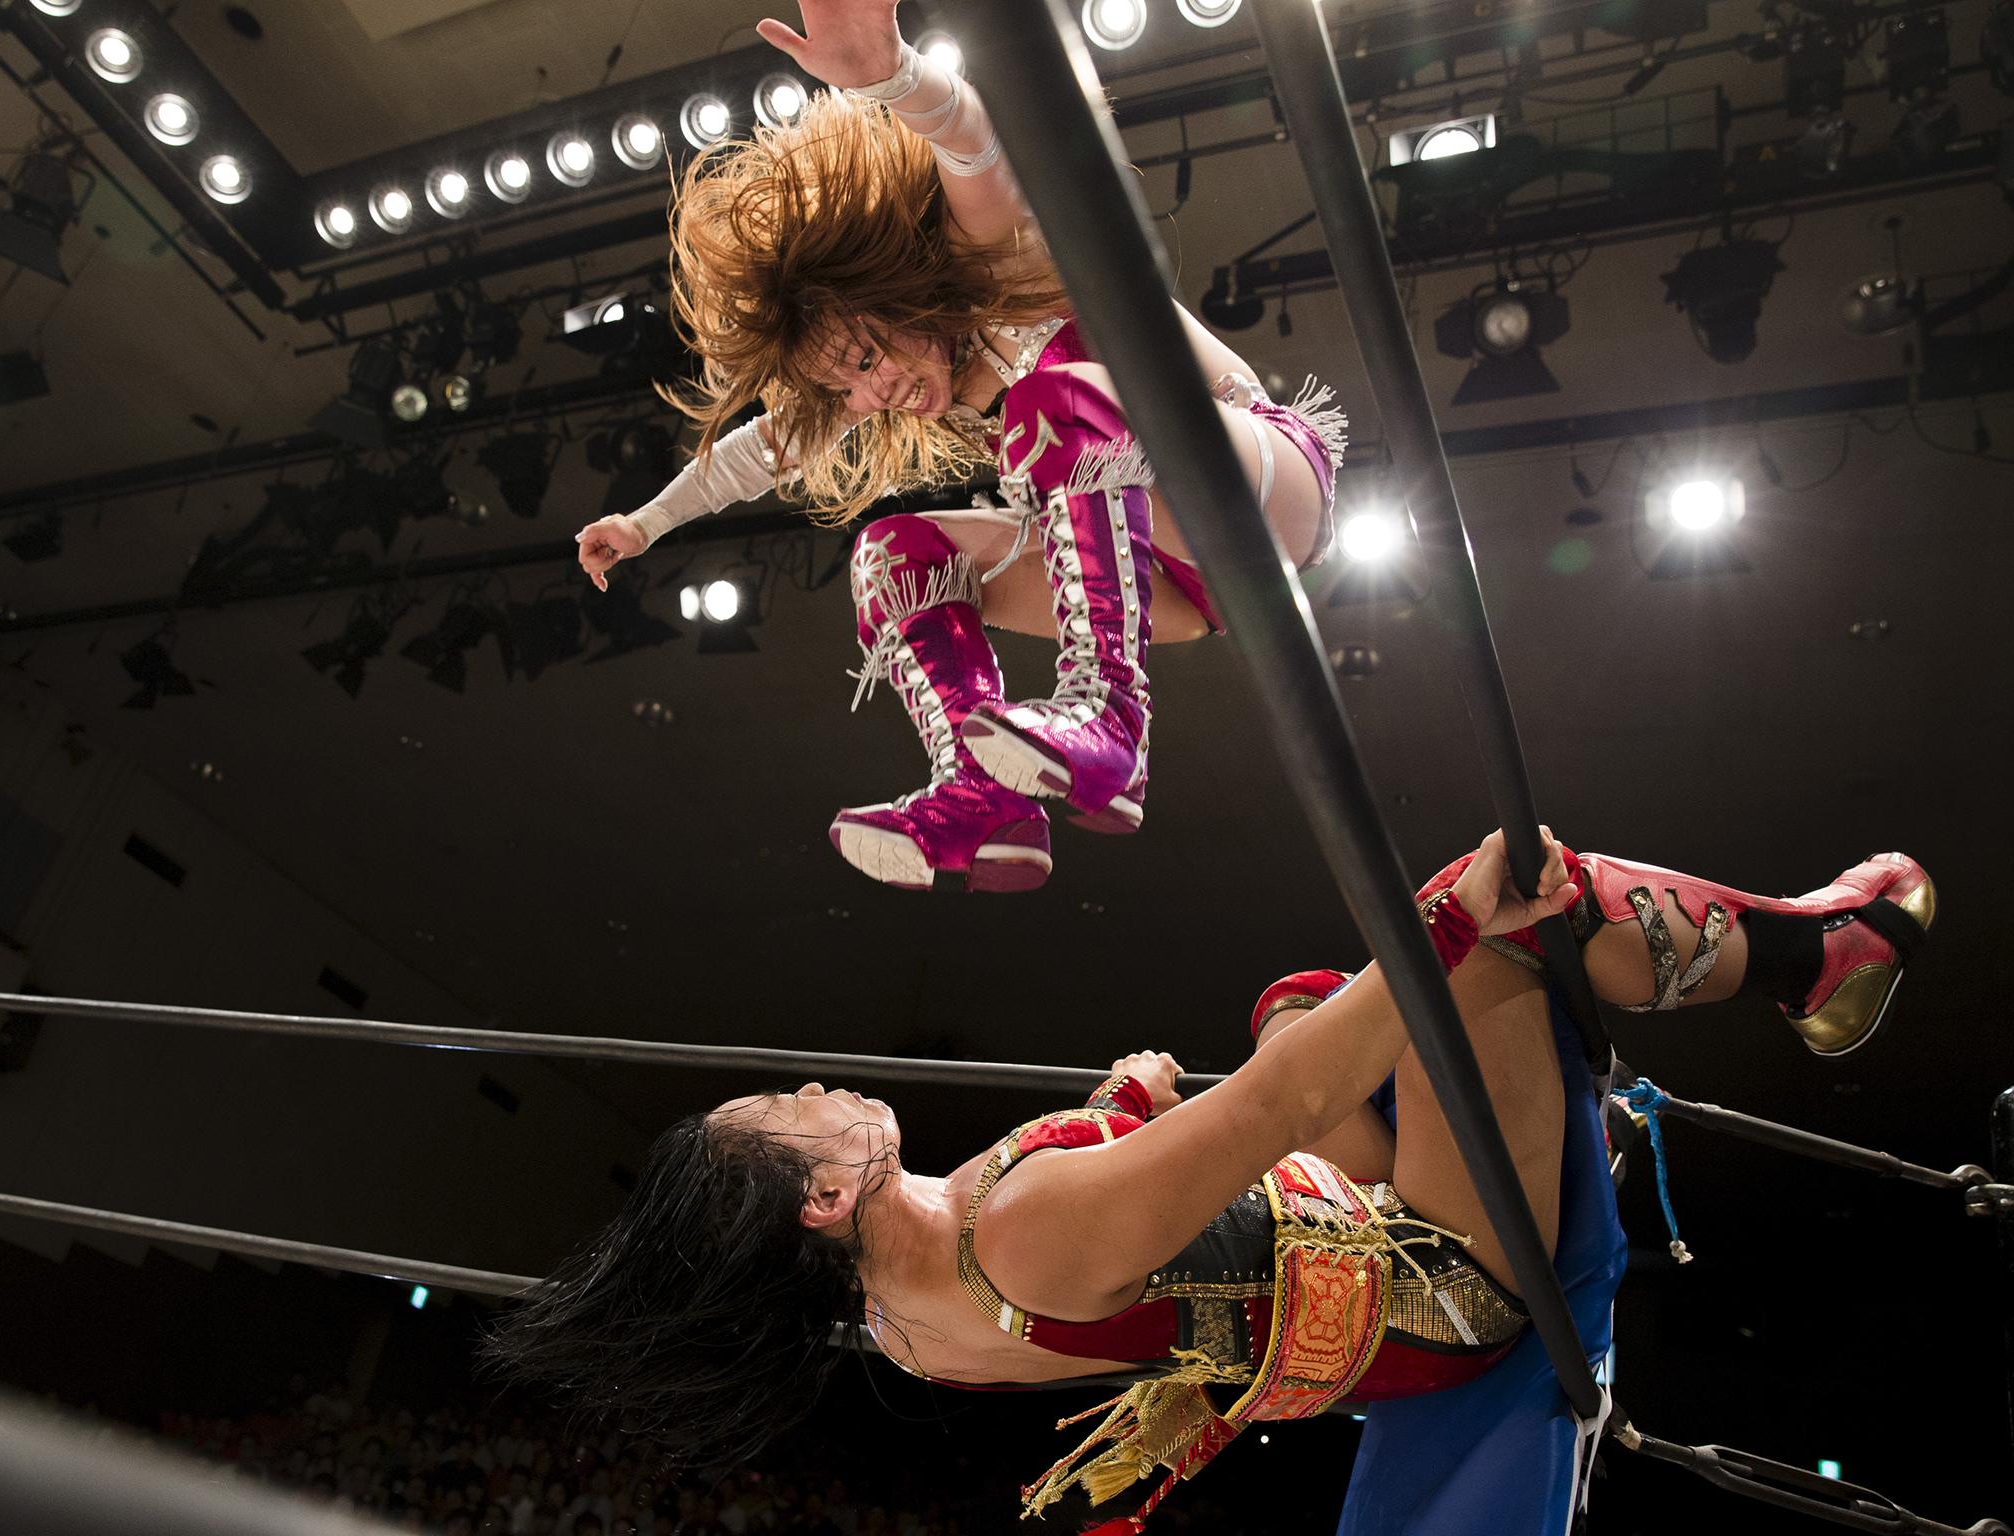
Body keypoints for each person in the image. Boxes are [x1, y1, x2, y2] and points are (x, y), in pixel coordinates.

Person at [485, 843, 1932, 1528]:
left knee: (1302, 1003)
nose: (819, 1092)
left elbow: (1176, 1280)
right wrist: (1444, 924)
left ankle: (1585, 1073)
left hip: (1342, 1270)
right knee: (1489, 904)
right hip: (1453, 1272)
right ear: (815, 1204)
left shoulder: (898, 1319)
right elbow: (1288, 1112)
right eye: (793, 1112)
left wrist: (1129, 1116)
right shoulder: (1017, 1233)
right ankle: (1821, 949)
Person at [572, 0, 1344, 894]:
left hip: (1260, 481)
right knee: (892, 551)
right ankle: (982, 796)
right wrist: (644, 522)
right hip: (1173, 576)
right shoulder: (881, 379)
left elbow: (974, 147)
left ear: (901, 292)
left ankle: (1109, 715)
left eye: (867, 358)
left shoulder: (990, 255)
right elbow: (759, 453)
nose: (873, 395)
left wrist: (894, 77)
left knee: (1054, 403)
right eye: (845, 389)